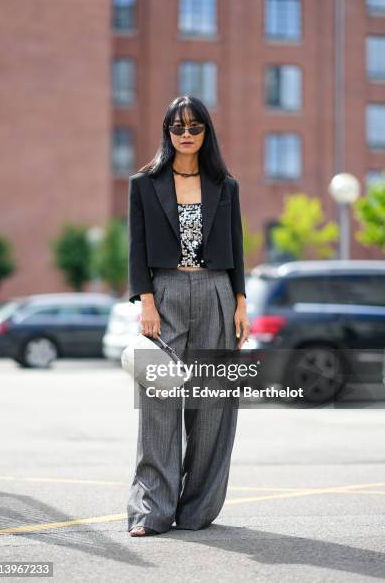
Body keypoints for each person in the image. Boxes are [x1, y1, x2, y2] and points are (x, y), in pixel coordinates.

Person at [126, 95, 250, 537]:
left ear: (205, 133)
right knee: (158, 405)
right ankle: (151, 511)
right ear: (167, 132)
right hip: (165, 292)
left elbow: (236, 248)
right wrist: (146, 301)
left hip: (217, 289)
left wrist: (240, 301)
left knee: (212, 406)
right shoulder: (144, 183)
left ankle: (197, 510)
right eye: (177, 128)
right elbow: (137, 248)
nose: (185, 135)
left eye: (194, 127)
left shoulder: (225, 186)